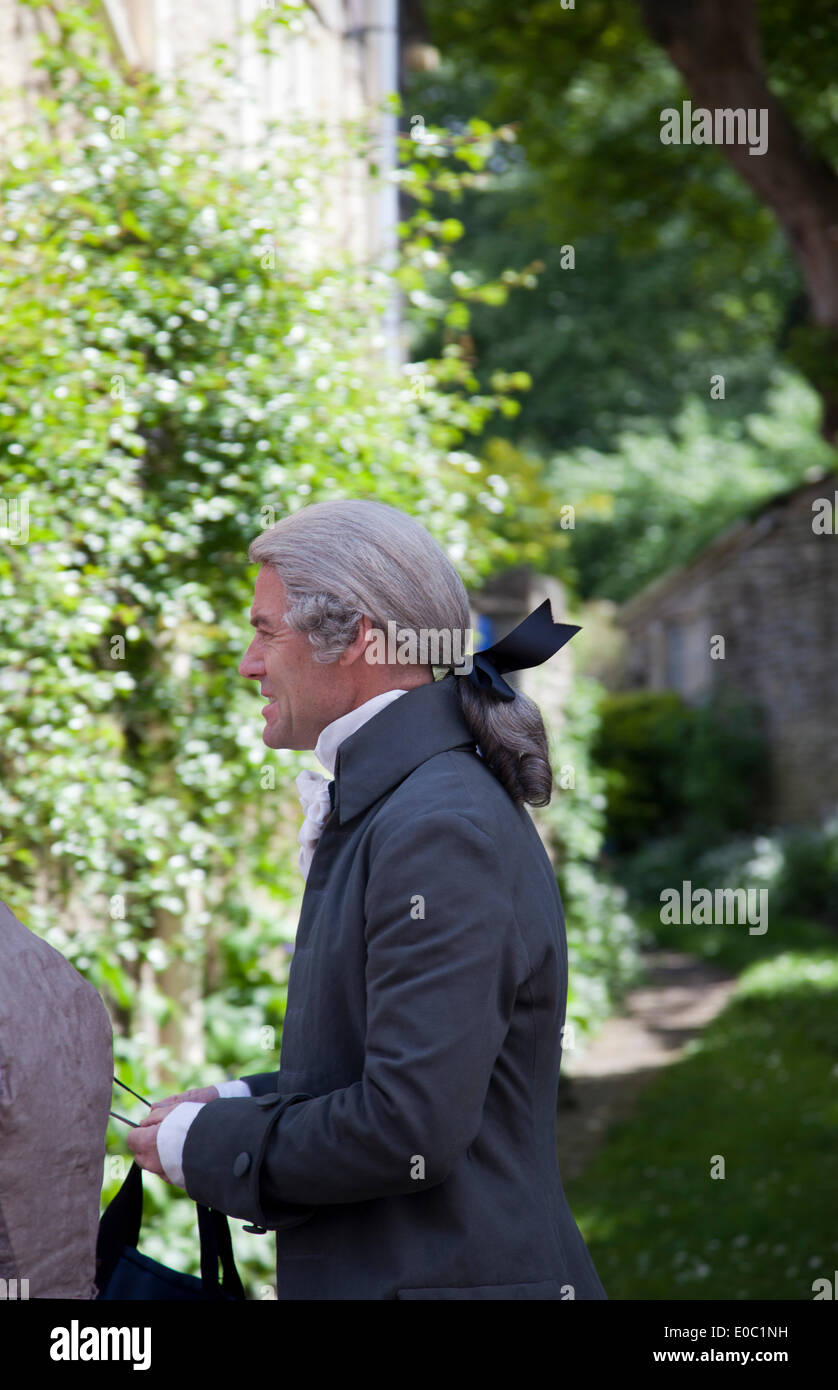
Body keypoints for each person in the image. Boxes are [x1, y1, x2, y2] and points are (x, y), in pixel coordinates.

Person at [127, 498, 608, 1300]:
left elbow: (407, 1126)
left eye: (265, 630)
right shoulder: (407, 798)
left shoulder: (436, 822)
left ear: (355, 636)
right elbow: (412, 1061)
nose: (248, 663)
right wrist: (241, 1098)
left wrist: (207, 1146)